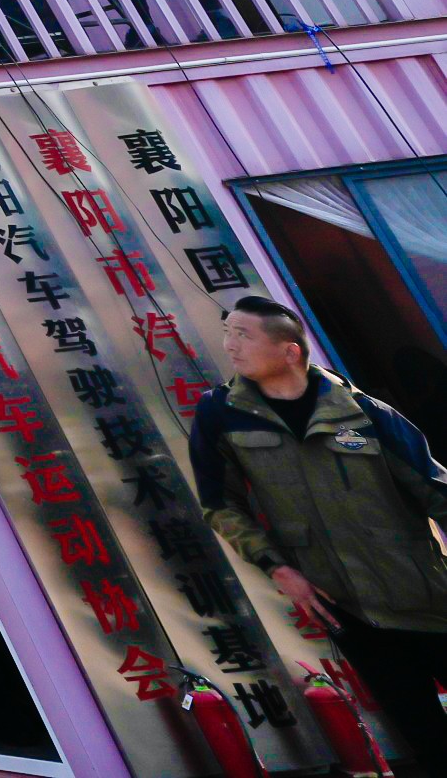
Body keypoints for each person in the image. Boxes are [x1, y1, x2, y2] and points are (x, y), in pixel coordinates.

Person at [195, 297, 447, 773]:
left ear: (289, 351)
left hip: (424, 591)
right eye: (228, 332)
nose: (229, 346)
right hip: (344, 604)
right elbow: (220, 504)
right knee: (424, 735)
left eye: (243, 335)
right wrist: (278, 568)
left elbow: (436, 490)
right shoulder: (221, 414)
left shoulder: (363, 411)